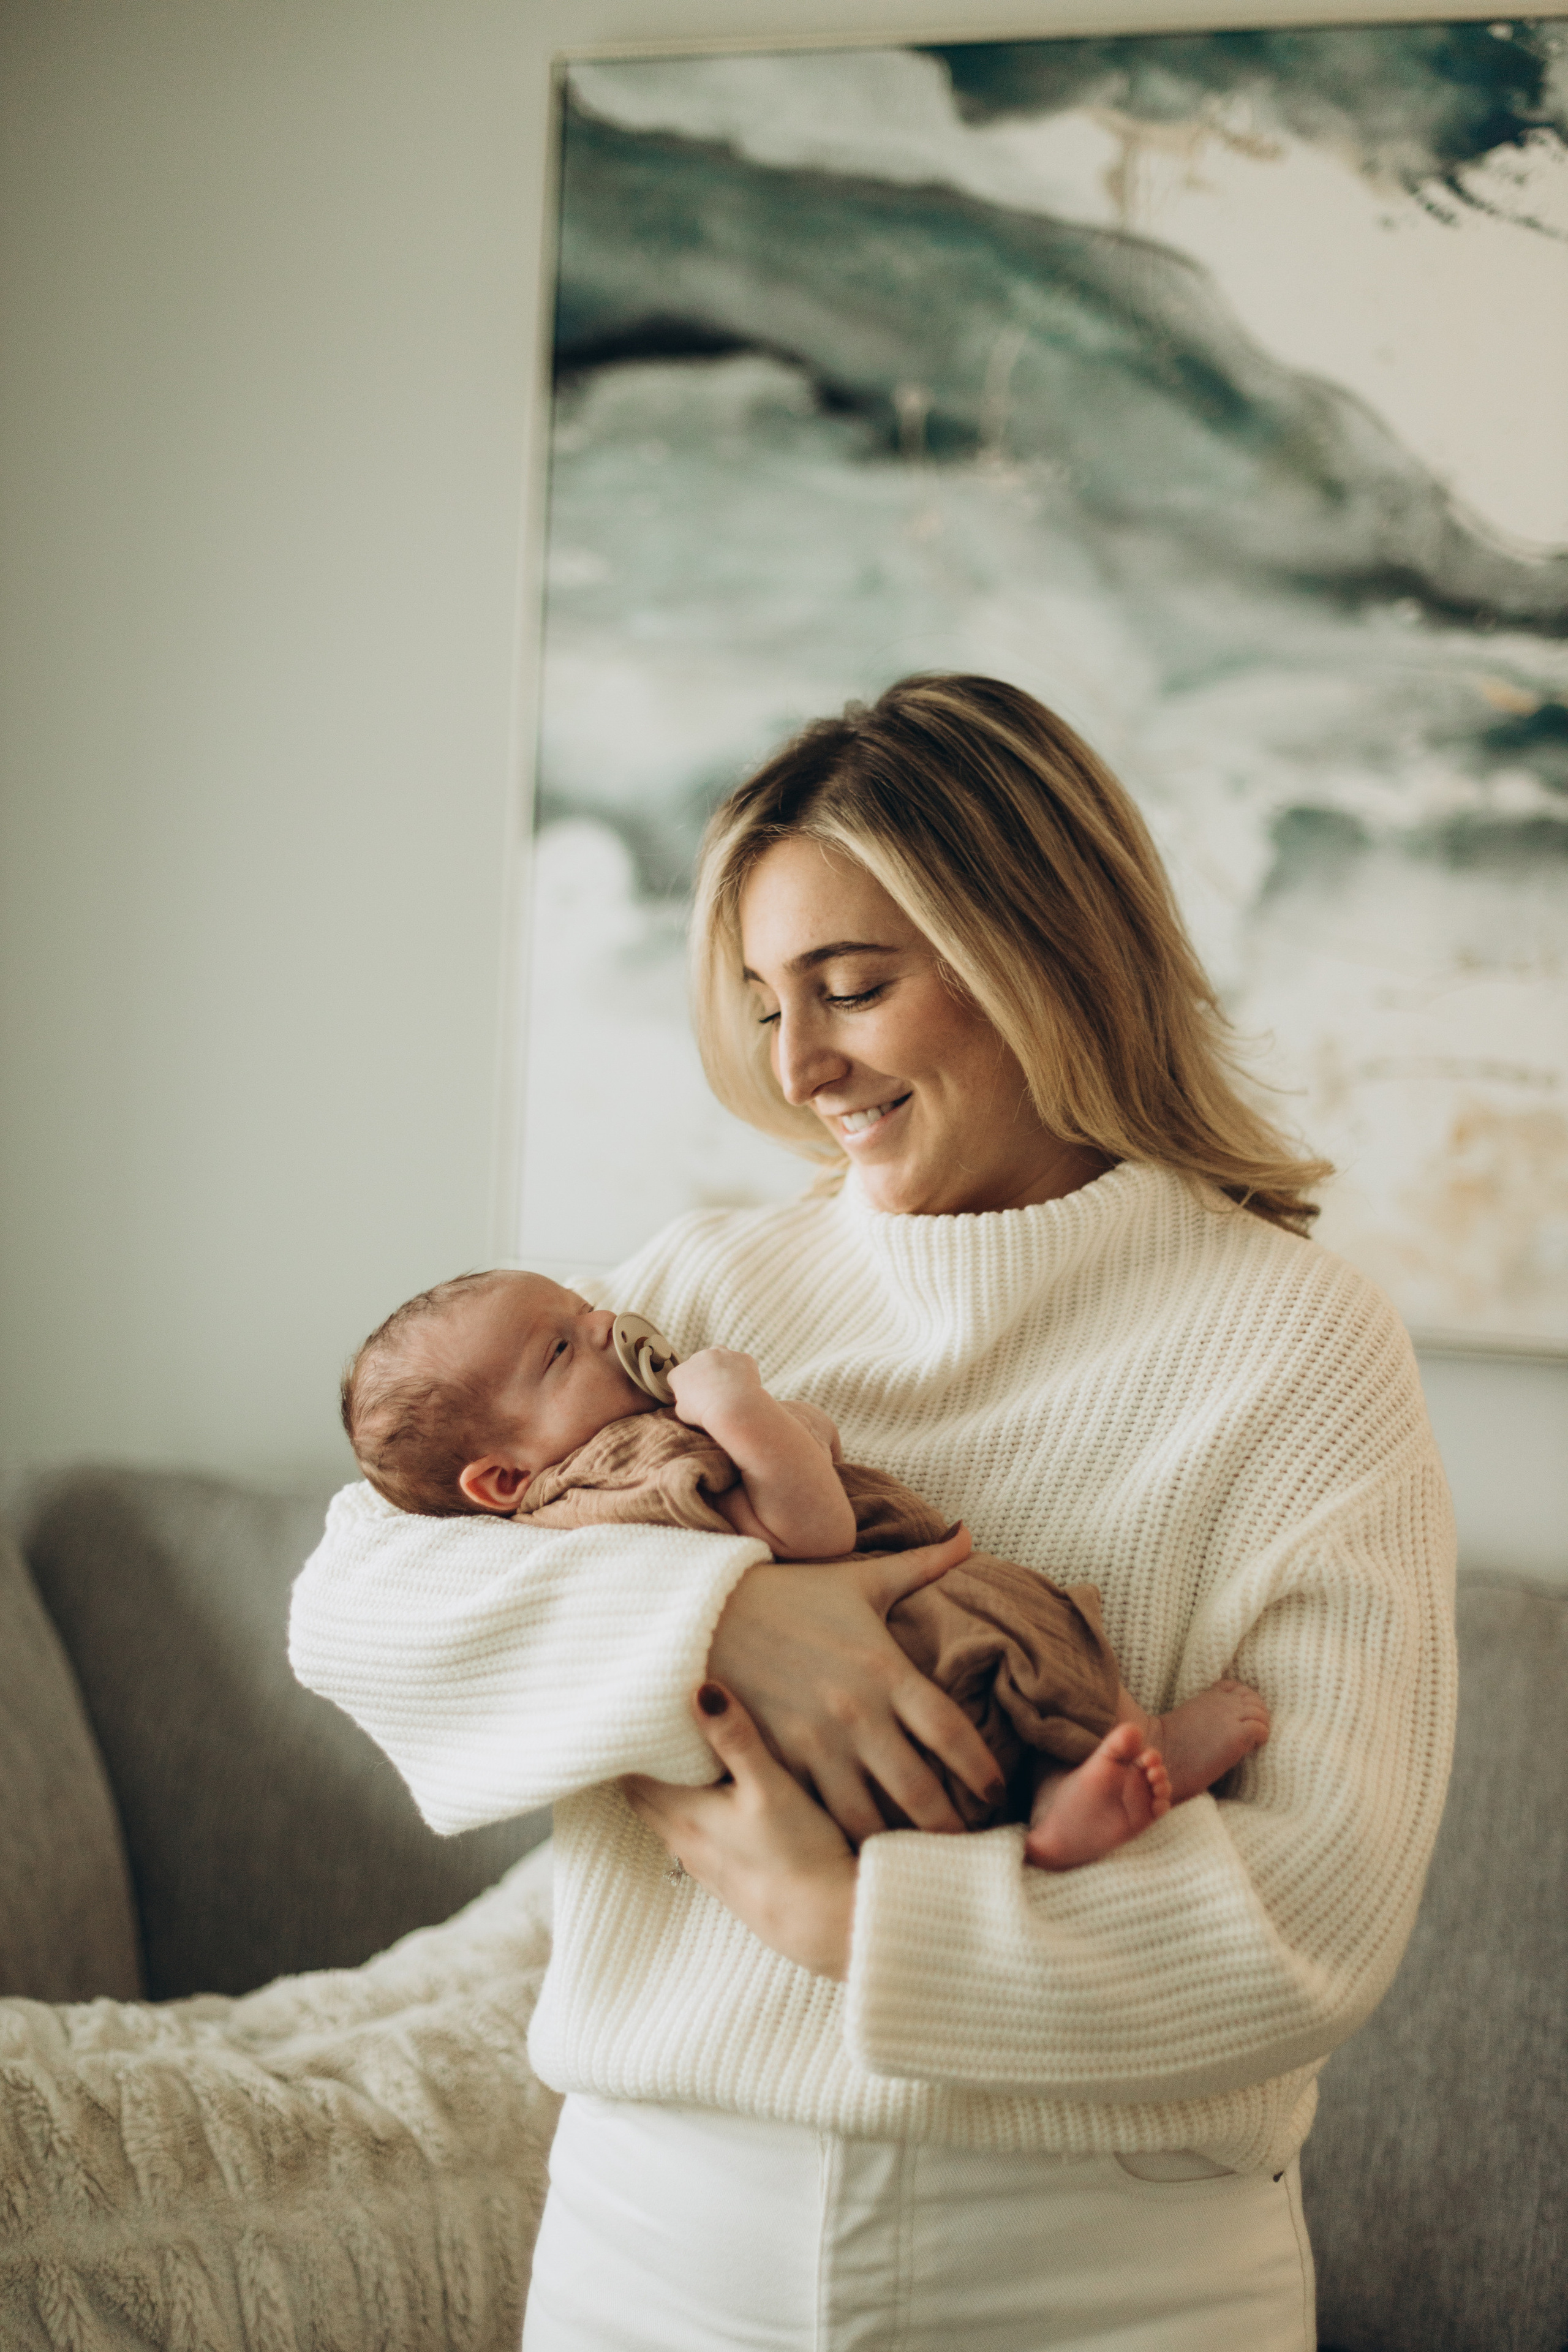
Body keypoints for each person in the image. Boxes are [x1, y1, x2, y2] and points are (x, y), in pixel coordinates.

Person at [290, 674, 1458, 2352]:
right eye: (770, 1003)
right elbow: (352, 1601)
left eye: (851, 987)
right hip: (657, 2247)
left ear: (1042, 956)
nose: (802, 1064)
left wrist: (859, 1928)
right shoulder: (691, 1294)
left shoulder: (1298, 1343)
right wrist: (729, 1624)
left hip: (1108, 2282)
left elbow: (1315, 1922)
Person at [335, 1266, 1272, 1861]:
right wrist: (744, 1411)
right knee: (1016, 1623)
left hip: (821, 1771)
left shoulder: (574, 1486)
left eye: (587, 1308)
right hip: (903, 1642)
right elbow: (809, 1529)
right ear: (501, 1478)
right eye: (562, 1347)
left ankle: (1068, 1805)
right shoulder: (632, 1461)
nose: (610, 1323)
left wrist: (793, 1434)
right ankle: (1124, 1750)